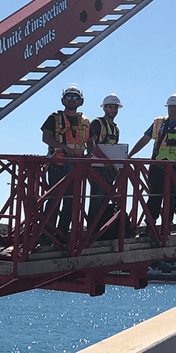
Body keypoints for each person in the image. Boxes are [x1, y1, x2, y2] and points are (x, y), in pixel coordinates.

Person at [131, 94, 176, 226]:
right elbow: (145, 139)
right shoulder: (159, 123)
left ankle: (166, 225)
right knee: (155, 196)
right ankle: (150, 226)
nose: (173, 110)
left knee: (172, 197)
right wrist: (131, 154)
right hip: (159, 165)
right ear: (167, 108)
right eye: (171, 107)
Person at [40, 85, 90, 243]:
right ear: (63, 100)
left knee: (70, 202)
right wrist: (62, 147)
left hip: (76, 168)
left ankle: (61, 236)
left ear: (80, 101)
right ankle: (47, 236)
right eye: (69, 97)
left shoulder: (86, 121)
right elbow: (46, 138)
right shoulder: (54, 118)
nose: (72, 100)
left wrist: (91, 155)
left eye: (75, 97)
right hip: (57, 166)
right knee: (54, 201)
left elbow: (91, 142)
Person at [88, 94, 124, 239]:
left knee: (104, 200)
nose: (113, 110)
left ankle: (100, 231)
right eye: (110, 107)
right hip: (97, 168)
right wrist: (104, 160)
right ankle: (92, 231)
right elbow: (91, 144)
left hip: (109, 170)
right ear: (104, 108)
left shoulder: (115, 128)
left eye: (115, 107)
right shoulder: (97, 123)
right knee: (96, 199)